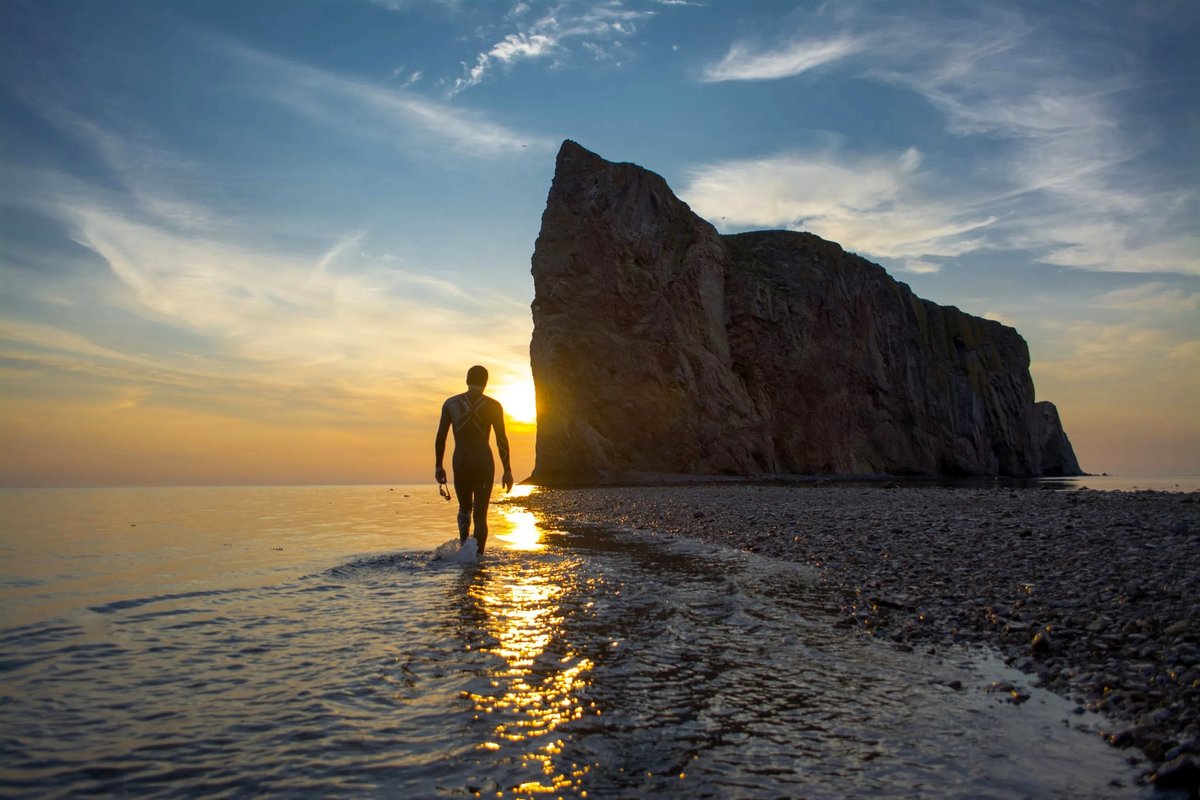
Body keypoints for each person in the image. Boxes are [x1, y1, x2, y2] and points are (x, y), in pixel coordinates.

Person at [434, 365, 513, 553]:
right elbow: (501, 439)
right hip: (483, 463)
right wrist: (507, 470)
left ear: (467, 380)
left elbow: (441, 437)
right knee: (480, 516)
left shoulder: (450, 404)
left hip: (461, 462)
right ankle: (477, 560)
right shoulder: (493, 406)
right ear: (485, 382)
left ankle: (463, 553)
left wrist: (438, 465)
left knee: (464, 510)